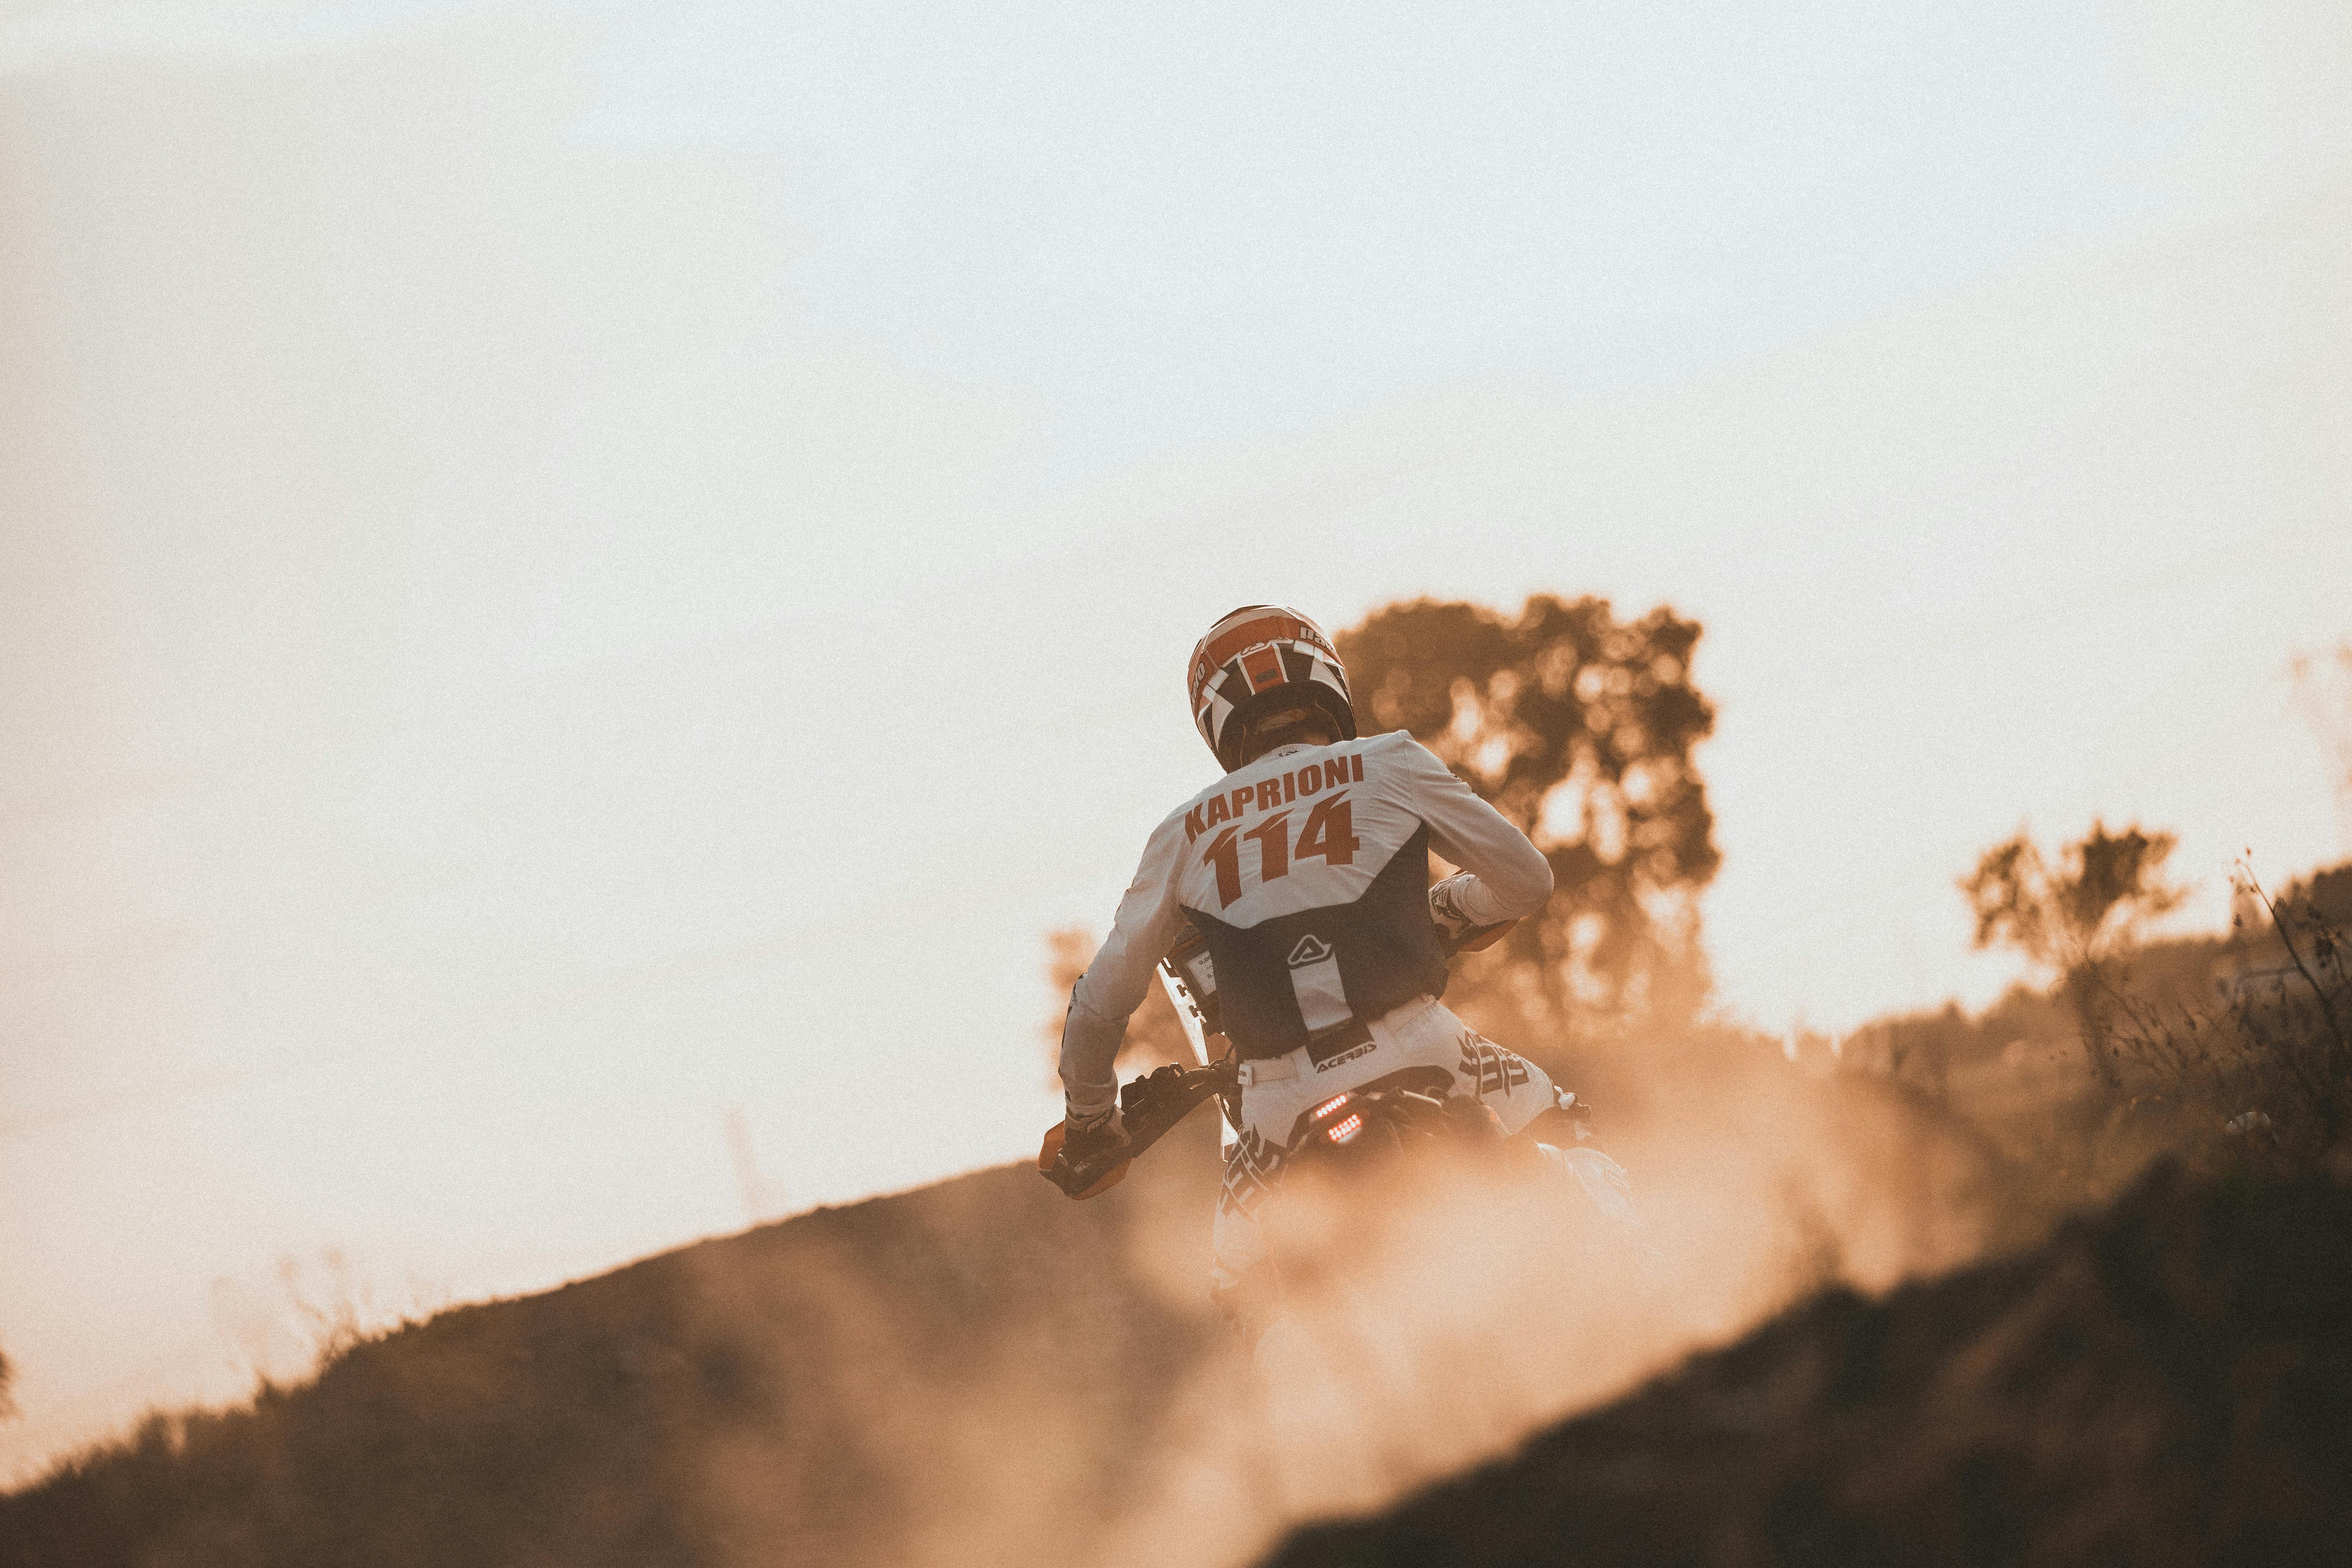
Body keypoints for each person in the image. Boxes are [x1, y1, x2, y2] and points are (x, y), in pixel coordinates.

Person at [1050, 604, 1583, 1325]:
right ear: (1325, 680)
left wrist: (1091, 1119)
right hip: (1428, 1047)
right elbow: (1527, 882)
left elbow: (1099, 1003)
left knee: (1244, 1303)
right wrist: (1449, 911)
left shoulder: (1184, 831)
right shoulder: (1388, 760)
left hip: (1275, 1106)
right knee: (1573, 1147)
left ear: (1218, 722)